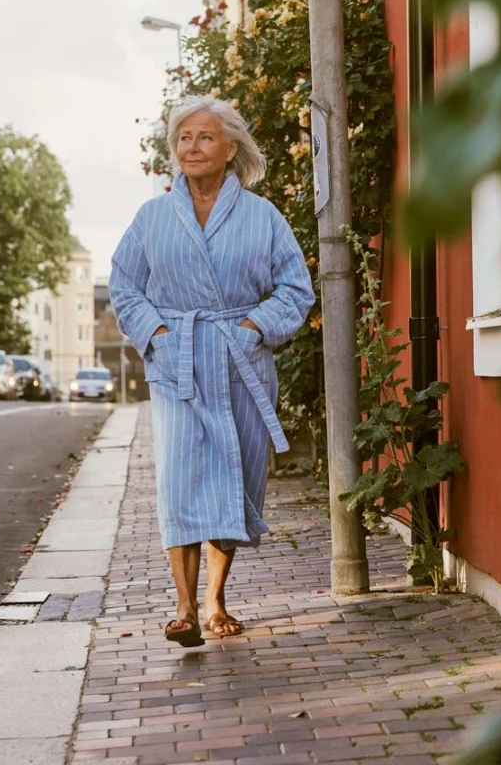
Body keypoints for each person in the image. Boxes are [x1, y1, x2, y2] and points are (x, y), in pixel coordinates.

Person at [109, 96, 315, 647]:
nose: (191, 147)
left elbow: (296, 288)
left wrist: (252, 329)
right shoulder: (152, 217)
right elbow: (125, 285)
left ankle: (216, 599)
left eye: (203, 137)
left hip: (238, 359)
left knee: (233, 476)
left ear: (230, 149)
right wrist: (155, 334)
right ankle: (183, 608)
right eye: (183, 139)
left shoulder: (262, 215)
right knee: (179, 481)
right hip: (176, 362)